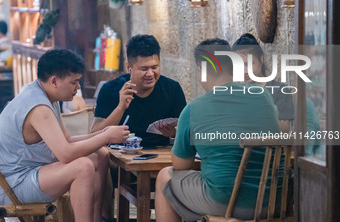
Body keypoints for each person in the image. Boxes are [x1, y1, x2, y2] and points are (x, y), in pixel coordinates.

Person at [155, 38, 281, 222]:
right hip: (275, 200)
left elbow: (181, 166)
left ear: (201, 70)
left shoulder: (194, 108)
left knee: (164, 176)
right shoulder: (264, 97)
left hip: (228, 202)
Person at [0, 49, 130, 222]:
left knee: (98, 155)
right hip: (13, 185)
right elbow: (66, 153)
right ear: (54, 81)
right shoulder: (38, 107)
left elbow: (67, 140)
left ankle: (97, 218)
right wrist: (106, 138)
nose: (78, 88)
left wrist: (103, 133)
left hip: (31, 172)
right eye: (74, 82)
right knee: (82, 166)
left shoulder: (45, 96)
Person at [91, 34, 186, 147]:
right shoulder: (110, 89)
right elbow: (94, 136)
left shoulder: (172, 89)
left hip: (160, 155)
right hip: (119, 155)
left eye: (155, 67)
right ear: (129, 67)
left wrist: (174, 133)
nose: (150, 74)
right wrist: (121, 108)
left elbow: (187, 133)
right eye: (144, 69)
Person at [232, 33, 294, 132]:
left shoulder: (279, 90)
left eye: (247, 64)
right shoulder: (233, 92)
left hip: (268, 147)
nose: (244, 71)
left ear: (261, 59)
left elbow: (285, 129)